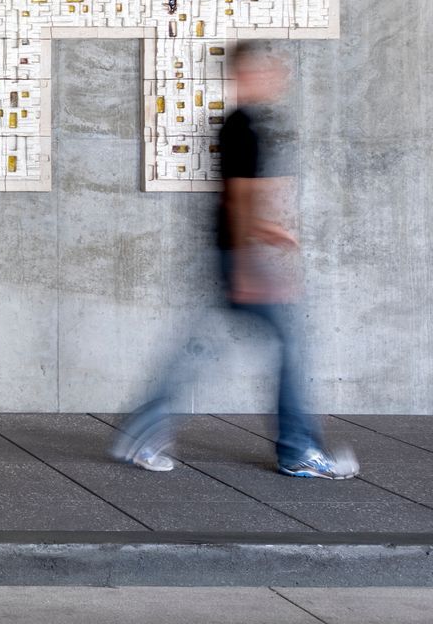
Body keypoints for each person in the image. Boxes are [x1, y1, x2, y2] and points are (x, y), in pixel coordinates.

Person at [108, 40, 357, 478]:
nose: (278, 78)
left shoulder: (244, 124)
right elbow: (239, 198)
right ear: (247, 74)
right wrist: (249, 264)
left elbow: (241, 196)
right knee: (286, 346)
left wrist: (270, 233)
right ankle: (298, 450)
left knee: (203, 348)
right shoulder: (242, 126)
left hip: (239, 253)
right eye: (268, 70)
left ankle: (145, 428)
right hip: (243, 258)